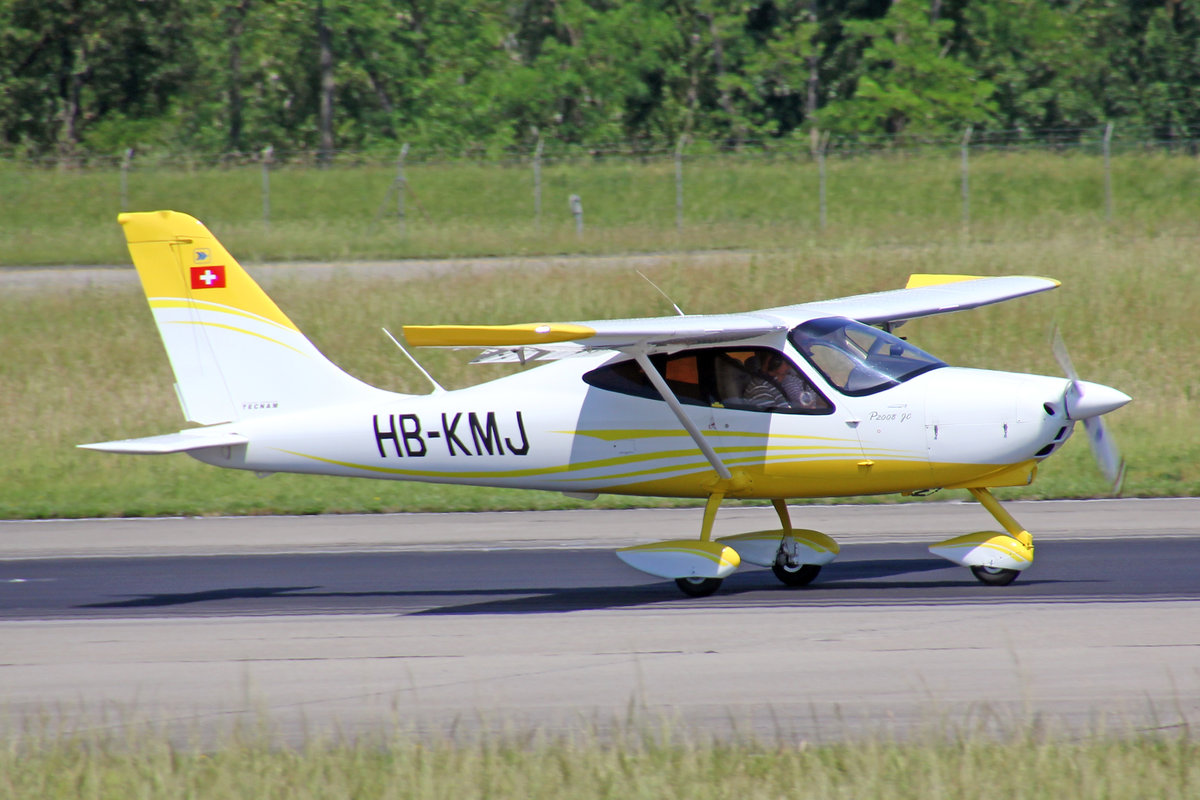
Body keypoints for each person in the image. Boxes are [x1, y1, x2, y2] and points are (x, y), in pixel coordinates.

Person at [744, 354, 822, 411]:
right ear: (774, 363)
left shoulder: (777, 384)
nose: (790, 366)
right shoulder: (760, 389)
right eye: (787, 362)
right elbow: (773, 421)